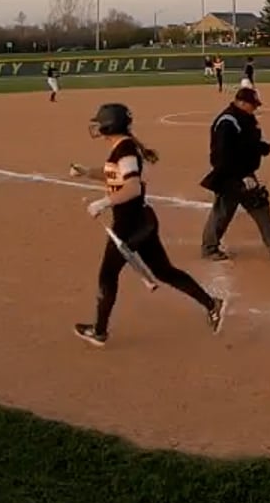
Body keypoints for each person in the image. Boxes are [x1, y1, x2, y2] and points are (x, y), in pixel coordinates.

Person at [69, 103, 224, 345]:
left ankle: (99, 331)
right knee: (163, 271)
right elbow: (115, 175)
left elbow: (132, 188)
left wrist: (103, 203)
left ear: (110, 125)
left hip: (130, 226)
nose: (97, 127)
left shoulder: (125, 150)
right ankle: (211, 304)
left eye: (100, 123)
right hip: (140, 221)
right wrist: (88, 172)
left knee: (108, 274)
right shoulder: (122, 148)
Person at [199, 85, 270, 261]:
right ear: (241, 102)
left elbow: (248, 144)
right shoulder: (227, 122)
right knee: (226, 210)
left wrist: (267, 148)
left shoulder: (245, 118)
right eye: (253, 105)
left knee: (255, 206)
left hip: (243, 172)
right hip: (230, 175)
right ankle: (209, 248)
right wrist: (241, 176)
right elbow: (224, 155)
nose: (255, 108)